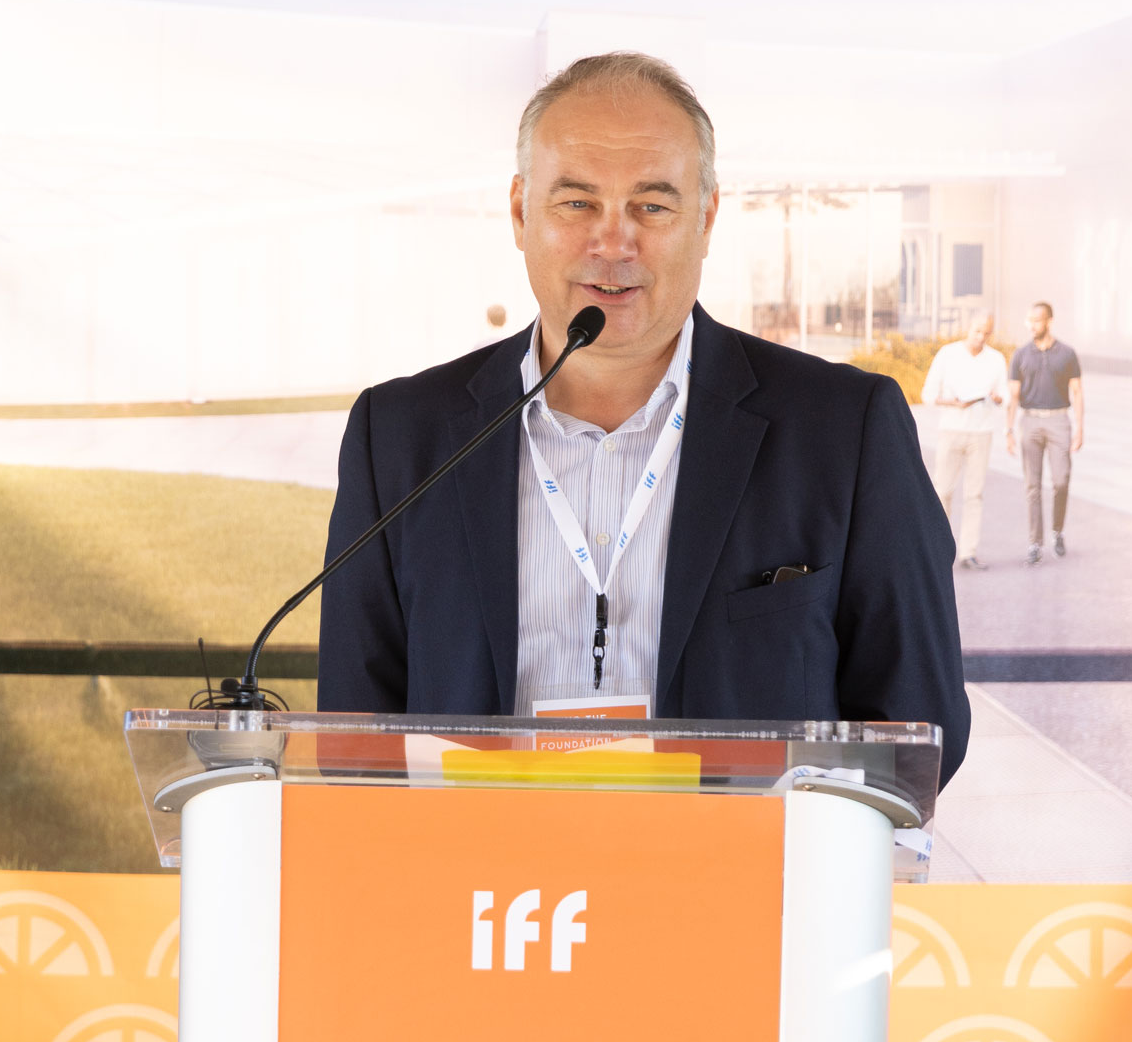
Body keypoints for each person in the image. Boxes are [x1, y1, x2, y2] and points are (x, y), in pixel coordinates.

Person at [316, 51, 969, 785]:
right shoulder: (399, 437)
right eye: (577, 203)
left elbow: (918, 724)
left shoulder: (845, 432)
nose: (614, 242)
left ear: (707, 216)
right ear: (519, 211)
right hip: (484, 896)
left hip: (737, 890)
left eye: (652, 206)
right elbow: (352, 747)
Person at [920, 313, 1006, 569]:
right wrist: (954, 403)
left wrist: (996, 398)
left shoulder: (996, 359)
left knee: (974, 495)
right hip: (952, 429)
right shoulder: (948, 355)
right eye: (978, 330)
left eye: (987, 333)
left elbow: (1004, 396)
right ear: (968, 327)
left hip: (981, 433)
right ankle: (940, 548)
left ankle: (968, 552)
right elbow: (928, 394)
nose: (981, 337)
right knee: (942, 491)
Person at [1005, 301, 1085, 563]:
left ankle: (1057, 531)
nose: (1031, 326)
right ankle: (1035, 543)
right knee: (1032, 486)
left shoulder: (1067, 354)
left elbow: (1077, 392)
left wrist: (1079, 428)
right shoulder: (1020, 355)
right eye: (1029, 321)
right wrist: (1008, 430)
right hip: (1030, 422)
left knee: (1061, 481)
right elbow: (1013, 396)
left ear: (1049, 321)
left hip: (1058, 420)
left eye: (1036, 321)